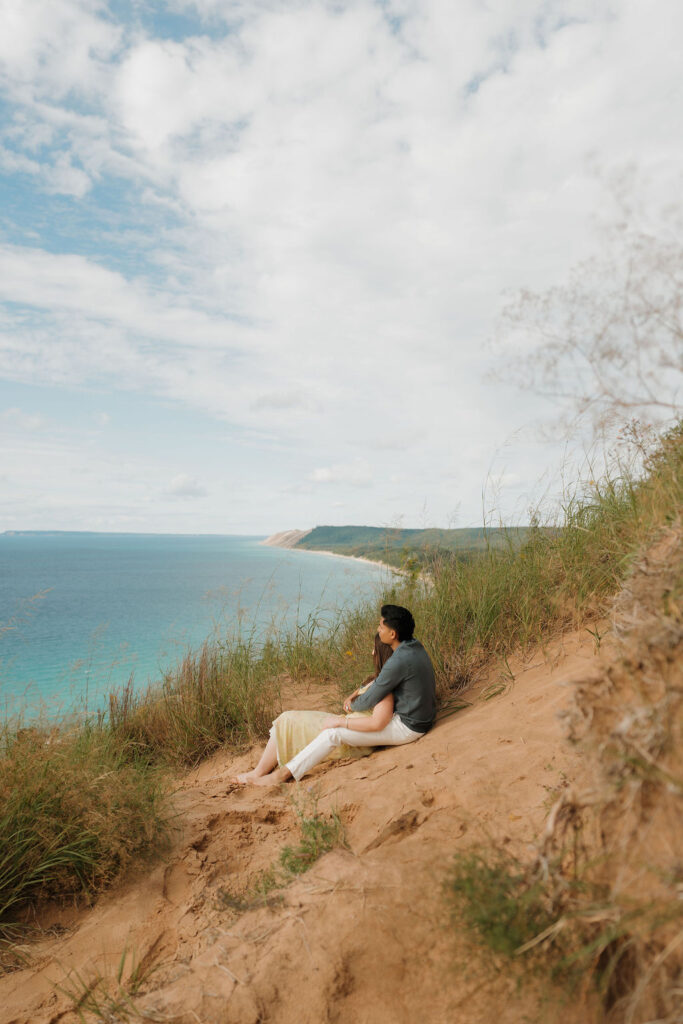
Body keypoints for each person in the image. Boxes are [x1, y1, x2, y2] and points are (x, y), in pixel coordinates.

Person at [237, 604, 436, 787]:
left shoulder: (398, 661)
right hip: (420, 719)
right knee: (333, 729)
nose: (378, 630)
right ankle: (272, 771)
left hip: (409, 727)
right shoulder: (414, 645)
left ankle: (280, 776)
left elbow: (371, 703)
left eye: (381, 627)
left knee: (333, 733)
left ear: (393, 634)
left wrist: (347, 712)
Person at [234, 633, 394, 786]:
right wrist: (352, 700)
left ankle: (258, 772)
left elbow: (377, 722)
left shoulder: (385, 687)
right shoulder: (375, 679)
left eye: (374, 648)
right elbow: (353, 697)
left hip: (350, 733)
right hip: (344, 720)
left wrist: (342, 721)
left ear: (381, 653)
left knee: (288, 720)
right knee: (288, 718)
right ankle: (259, 771)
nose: (371, 652)